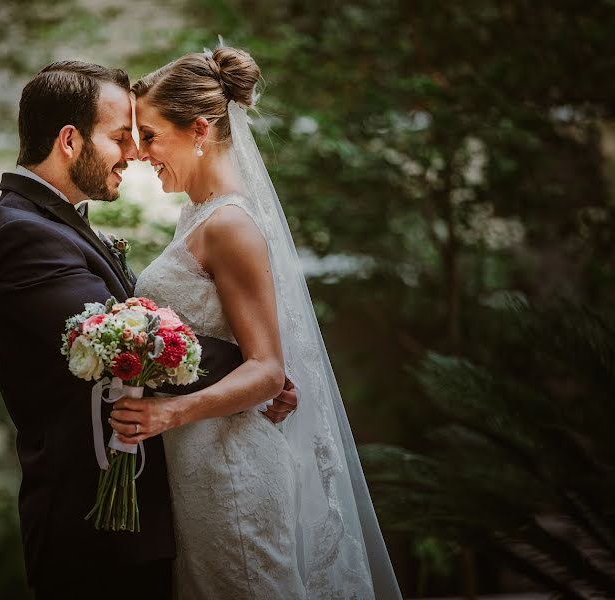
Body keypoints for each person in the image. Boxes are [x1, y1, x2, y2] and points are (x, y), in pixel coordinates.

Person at [0, 60, 296, 600]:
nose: (134, 154)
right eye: (122, 137)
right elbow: (129, 343)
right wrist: (257, 370)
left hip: (132, 516)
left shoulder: (51, 221)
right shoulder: (24, 236)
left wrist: (262, 371)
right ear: (69, 141)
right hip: (91, 523)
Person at [109, 47, 403, 599]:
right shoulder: (198, 213)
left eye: (149, 135)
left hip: (232, 474)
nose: (142, 152)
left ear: (198, 129)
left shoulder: (229, 225)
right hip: (198, 464)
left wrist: (165, 412)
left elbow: (268, 372)